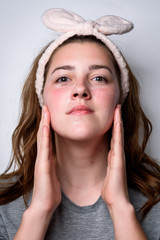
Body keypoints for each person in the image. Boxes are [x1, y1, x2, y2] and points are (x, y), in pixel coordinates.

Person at [0, 8, 160, 240]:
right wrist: (38, 213)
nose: (80, 90)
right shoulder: (3, 203)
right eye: (63, 78)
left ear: (120, 97)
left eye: (99, 78)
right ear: (42, 98)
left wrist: (121, 210)